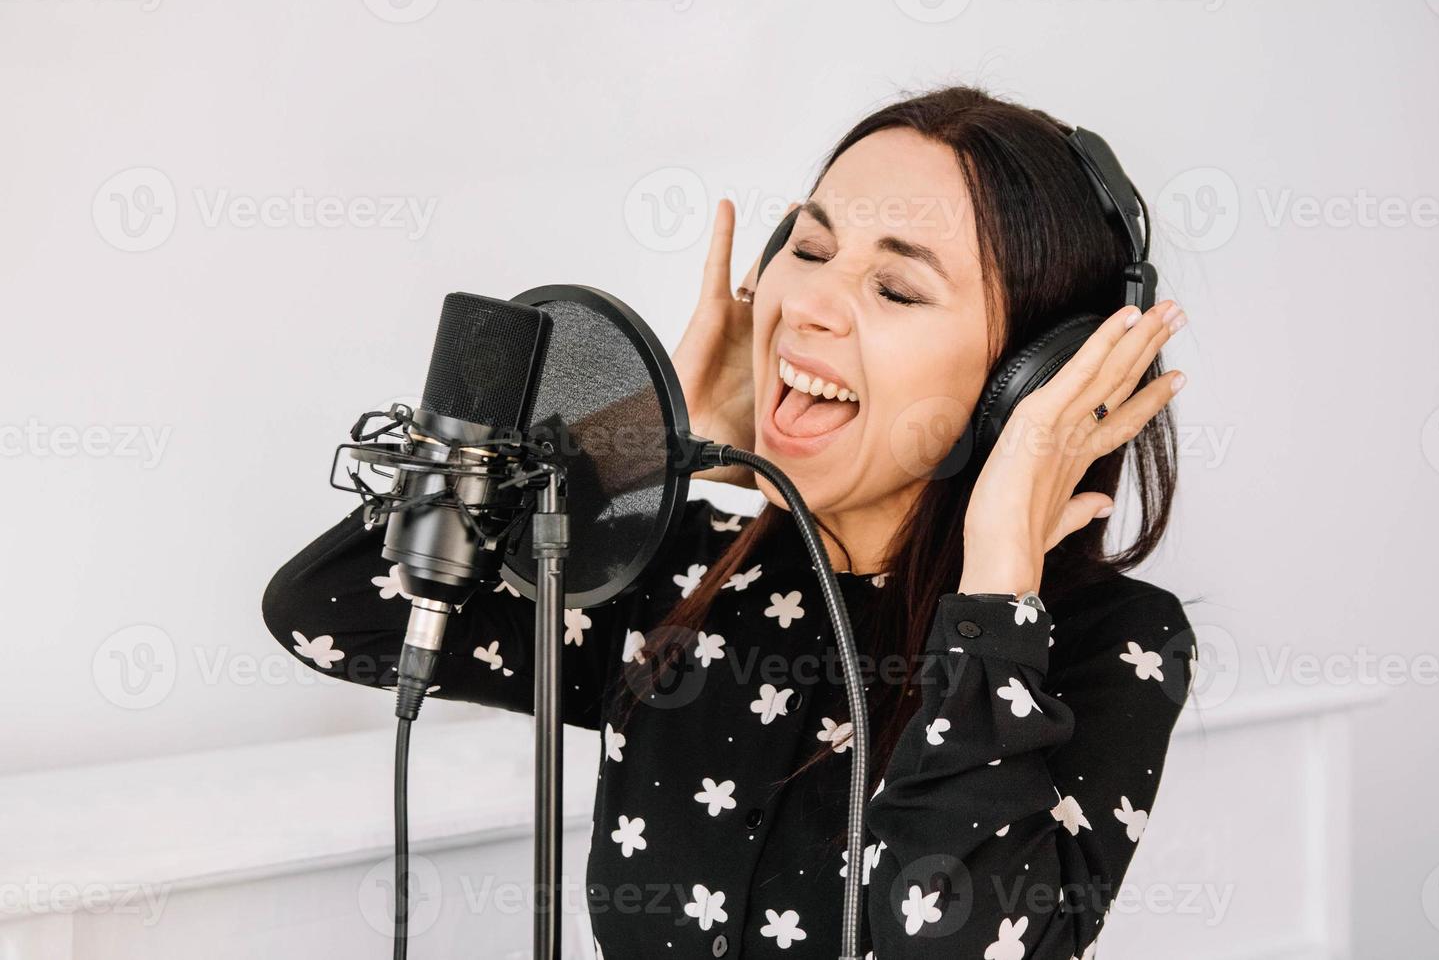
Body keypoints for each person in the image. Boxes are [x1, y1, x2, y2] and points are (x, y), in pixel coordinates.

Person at [263, 84, 1196, 959]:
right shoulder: (671, 578)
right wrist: (644, 441)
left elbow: (950, 936)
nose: (813, 307)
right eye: (813, 250)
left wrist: (996, 594)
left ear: (1029, 383)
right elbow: (331, 607)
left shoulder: (1103, 646)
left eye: (898, 290)